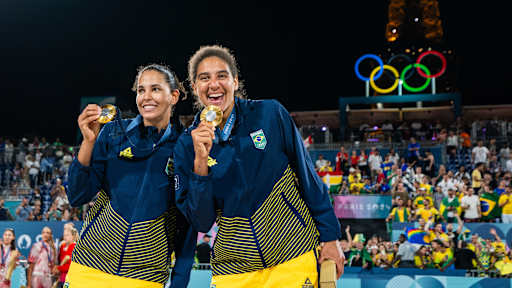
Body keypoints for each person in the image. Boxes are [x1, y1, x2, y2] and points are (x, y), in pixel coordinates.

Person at [174, 45, 344, 288]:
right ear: (194, 88)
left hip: (293, 255)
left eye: (222, 75)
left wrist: (330, 237)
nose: (214, 84)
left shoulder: (270, 114)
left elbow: (308, 179)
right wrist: (201, 163)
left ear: (234, 80)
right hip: (235, 269)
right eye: (204, 78)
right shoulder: (186, 145)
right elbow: (201, 222)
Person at [66, 64, 196, 288]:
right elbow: (77, 195)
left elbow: (187, 225)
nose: (146, 97)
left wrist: (179, 282)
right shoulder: (113, 133)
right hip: (89, 266)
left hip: (144, 276)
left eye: (155, 89)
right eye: (141, 90)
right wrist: (88, 142)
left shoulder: (186, 148)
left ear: (174, 96)